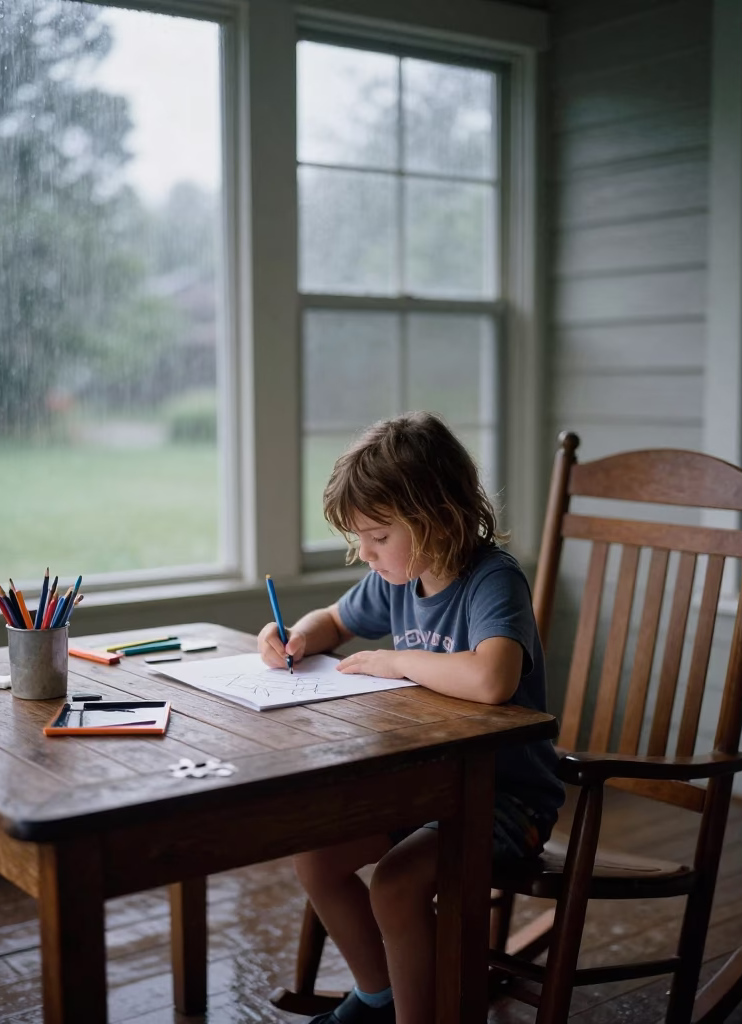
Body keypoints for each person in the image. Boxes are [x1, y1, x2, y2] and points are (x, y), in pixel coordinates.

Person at [257, 411, 565, 1024]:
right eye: (358, 539)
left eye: (377, 536)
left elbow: (492, 677)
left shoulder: (490, 580)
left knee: (396, 887)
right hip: (425, 790)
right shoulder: (402, 577)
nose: (365, 554)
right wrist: (293, 636)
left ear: (436, 518)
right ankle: (379, 996)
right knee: (316, 857)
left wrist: (398, 662)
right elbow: (335, 621)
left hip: (504, 801)